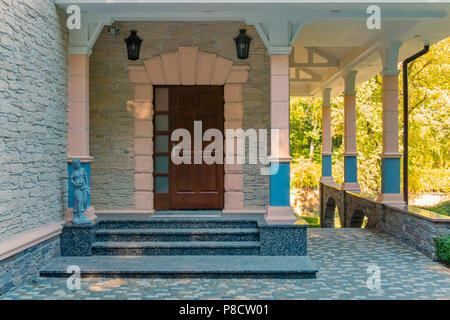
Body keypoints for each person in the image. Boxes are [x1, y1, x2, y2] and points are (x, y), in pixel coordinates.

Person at [70, 158, 92, 224]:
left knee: (83, 201)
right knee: (78, 201)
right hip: (77, 188)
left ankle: (80, 214)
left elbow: (86, 178)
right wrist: (75, 184)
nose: (77, 165)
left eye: (78, 163)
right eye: (75, 164)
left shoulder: (83, 170)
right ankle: (79, 215)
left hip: (84, 188)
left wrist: (87, 186)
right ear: (74, 165)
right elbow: (71, 179)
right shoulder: (73, 171)